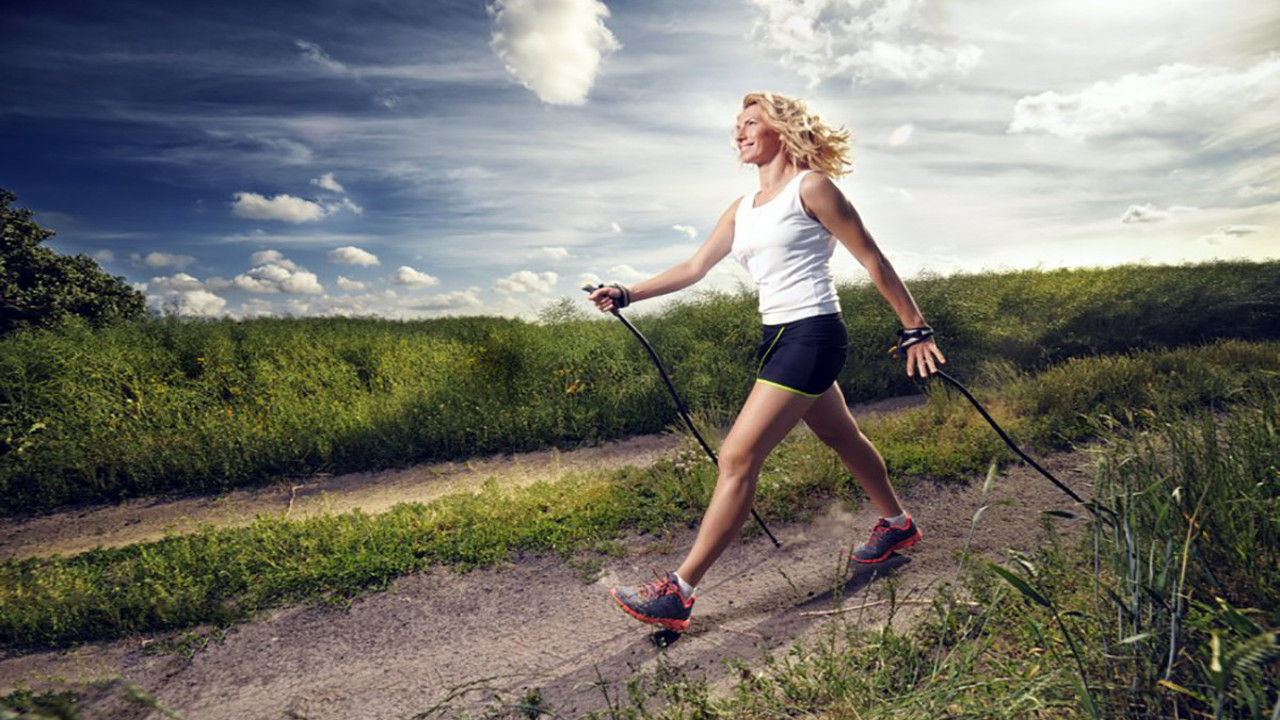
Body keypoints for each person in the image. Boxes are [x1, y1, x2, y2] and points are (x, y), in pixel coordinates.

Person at [588, 91, 946, 633]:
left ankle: (678, 591)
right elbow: (694, 266)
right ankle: (897, 524)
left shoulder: (813, 187)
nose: (739, 132)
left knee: (737, 456)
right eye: (737, 124)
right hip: (777, 336)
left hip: (813, 333)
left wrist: (915, 327)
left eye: (751, 122)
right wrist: (627, 292)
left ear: (782, 129)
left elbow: (872, 258)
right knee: (842, 435)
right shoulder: (742, 208)